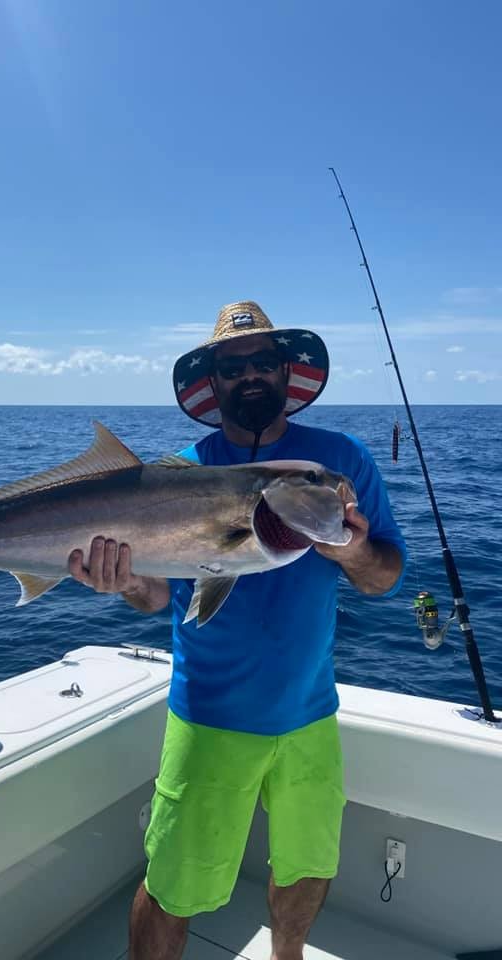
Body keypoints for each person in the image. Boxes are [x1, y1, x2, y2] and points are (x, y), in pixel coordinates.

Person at [68, 301, 406, 960]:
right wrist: (124, 581)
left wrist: (354, 550)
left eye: (263, 361)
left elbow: (384, 578)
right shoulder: (179, 471)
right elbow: (156, 595)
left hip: (310, 714)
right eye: (233, 366)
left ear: (285, 371)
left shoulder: (340, 463)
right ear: (213, 381)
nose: (250, 375)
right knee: (172, 887)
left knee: (307, 867)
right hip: (209, 715)